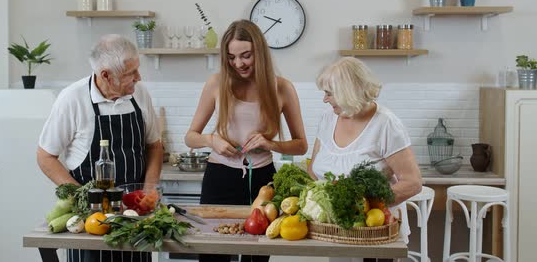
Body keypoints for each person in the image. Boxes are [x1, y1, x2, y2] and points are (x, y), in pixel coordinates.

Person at [185, 20, 308, 262]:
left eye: (246, 55)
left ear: (259, 52)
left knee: (257, 256)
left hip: (263, 182)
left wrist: (271, 144)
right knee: (211, 255)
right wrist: (212, 140)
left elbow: (301, 144)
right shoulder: (216, 83)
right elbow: (190, 137)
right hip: (219, 178)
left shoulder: (282, 88)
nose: (238, 63)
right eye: (231, 57)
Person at [37, 34, 163, 262]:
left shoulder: (140, 93)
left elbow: (154, 146)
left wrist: (149, 190)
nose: (139, 77)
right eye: (130, 73)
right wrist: (81, 199)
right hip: (92, 223)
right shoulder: (72, 99)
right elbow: (45, 156)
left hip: (135, 218)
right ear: (106, 75)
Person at [307, 57, 422, 262]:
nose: (325, 99)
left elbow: (412, 183)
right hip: (336, 231)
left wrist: (364, 207)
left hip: (374, 233)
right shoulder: (327, 118)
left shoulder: (386, 124)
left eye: (329, 93)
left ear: (347, 93)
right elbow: (313, 169)